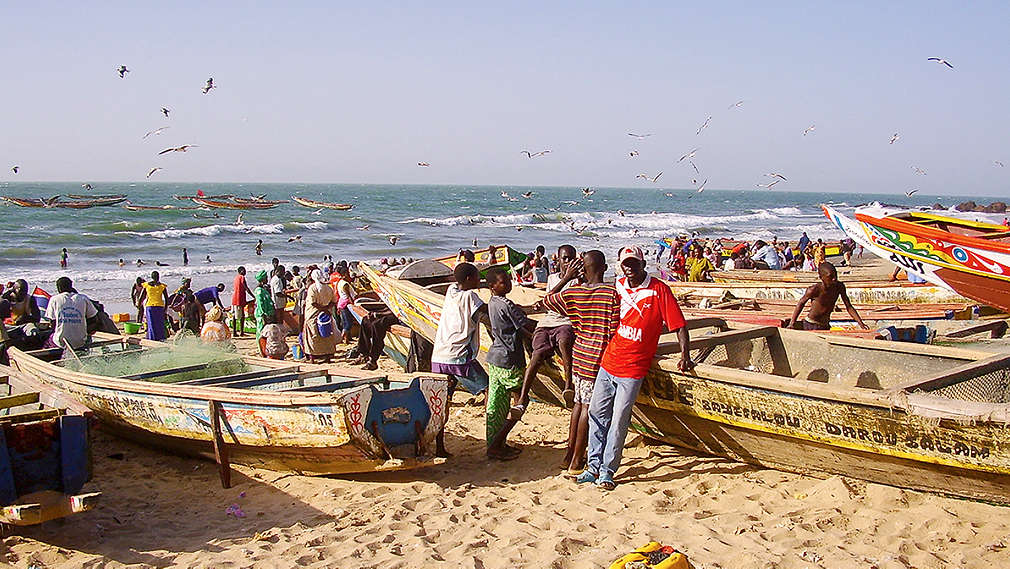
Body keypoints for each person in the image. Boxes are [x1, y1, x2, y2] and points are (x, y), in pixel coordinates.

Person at [577, 246, 692, 490]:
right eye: (625, 263)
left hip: (633, 369)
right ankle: (592, 467)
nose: (629, 267)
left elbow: (679, 325)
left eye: (633, 263)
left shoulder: (659, 289)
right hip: (609, 362)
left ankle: (607, 471)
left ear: (643, 263)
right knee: (597, 416)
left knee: (619, 421)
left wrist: (685, 355)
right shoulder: (618, 286)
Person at [536, 250, 620, 477]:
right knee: (588, 410)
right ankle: (576, 461)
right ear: (604, 268)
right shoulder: (611, 293)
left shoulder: (574, 292)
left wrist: (566, 279)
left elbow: (546, 300)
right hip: (597, 355)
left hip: (579, 353)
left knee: (578, 405)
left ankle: (568, 454)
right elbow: (613, 331)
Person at [430, 262, 490, 457]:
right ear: (467, 280)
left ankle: (439, 447)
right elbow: (489, 312)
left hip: (439, 356)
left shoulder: (451, 291)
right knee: (489, 390)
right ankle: (493, 438)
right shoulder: (470, 297)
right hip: (459, 357)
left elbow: (454, 280)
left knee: (442, 402)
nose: (479, 280)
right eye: (476, 277)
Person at [484, 267, 536, 460]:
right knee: (520, 401)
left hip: (495, 358)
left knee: (496, 405)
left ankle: (495, 443)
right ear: (492, 286)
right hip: (509, 360)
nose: (509, 283)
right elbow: (525, 328)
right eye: (503, 281)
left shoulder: (493, 302)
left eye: (508, 280)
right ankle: (497, 444)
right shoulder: (507, 305)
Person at [522, 245, 578, 408]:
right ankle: (523, 396)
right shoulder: (553, 278)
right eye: (564, 258)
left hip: (566, 321)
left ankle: (568, 385)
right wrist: (564, 279)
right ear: (558, 260)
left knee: (564, 342)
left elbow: (565, 304)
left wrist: (568, 278)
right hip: (548, 321)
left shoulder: (577, 281)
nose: (567, 262)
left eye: (570, 258)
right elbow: (549, 299)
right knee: (537, 353)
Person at [785, 262, 869, 331]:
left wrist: (861, 323)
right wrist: (792, 323)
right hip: (811, 324)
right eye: (831, 277)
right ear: (821, 278)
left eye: (835, 275)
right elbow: (800, 304)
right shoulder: (814, 290)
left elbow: (849, 306)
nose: (834, 279)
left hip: (825, 325)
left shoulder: (839, 287)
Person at [43, 277, 97, 350]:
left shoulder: (54, 299)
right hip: (81, 341)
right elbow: (93, 318)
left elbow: (53, 323)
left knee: (47, 341)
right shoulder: (83, 298)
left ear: (59, 288)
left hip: (61, 342)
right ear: (71, 286)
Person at [302, 269, 337, 362]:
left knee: (313, 335)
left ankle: (312, 358)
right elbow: (334, 301)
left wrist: (322, 308)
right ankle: (327, 356)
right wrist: (326, 308)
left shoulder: (312, 288)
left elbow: (313, 303)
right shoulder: (329, 288)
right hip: (325, 314)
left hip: (312, 314)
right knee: (326, 334)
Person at [140, 271, 169, 341]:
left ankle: (152, 338)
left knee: (151, 323)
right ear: (158, 277)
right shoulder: (162, 286)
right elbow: (167, 299)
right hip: (159, 306)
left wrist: (139, 305)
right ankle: (160, 338)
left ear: (152, 277)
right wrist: (165, 308)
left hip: (150, 306)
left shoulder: (147, 285)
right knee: (159, 323)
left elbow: (142, 297)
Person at [332, 264, 355, 344]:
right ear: (345, 274)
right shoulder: (345, 284)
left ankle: (347, 339)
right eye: (348, 273)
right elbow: (348, 296)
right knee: (348, 323)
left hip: (341, 303)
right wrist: (354, 304)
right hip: (346, 304)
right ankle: (342, 338)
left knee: (345, 322)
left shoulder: (340, 282)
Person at [271, 265, 294, 332]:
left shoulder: (277, 279)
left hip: (279, 303)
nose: (283, 273)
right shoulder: (276, 280)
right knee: (279, 319)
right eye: (282, 272)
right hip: (278, 303)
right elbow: (278, 293)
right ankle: (279, 332)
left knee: (280, 318)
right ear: (278, 271)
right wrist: (287, 296)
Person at [252, 270, 274, 339]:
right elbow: (260, 304)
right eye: (266, 278)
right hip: (262, 315)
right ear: (262, 279)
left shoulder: (263, 289)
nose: (267, 279)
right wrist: (264, 315)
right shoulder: (259, 291)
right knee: (261, 331)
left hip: (267, 313)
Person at [231, 267, 252, 336]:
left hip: (234, 298)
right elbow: (246, 288)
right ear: (241, 271)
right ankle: (241, 332)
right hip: (239, 299)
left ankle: (234, 332)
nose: (245, 272)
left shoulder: (236, 278)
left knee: (235, 315)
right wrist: (253, 296)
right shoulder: (242, 277)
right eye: (244, 270)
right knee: (242, 316)